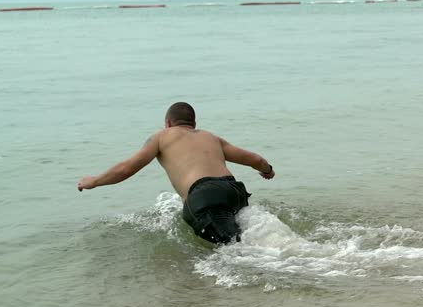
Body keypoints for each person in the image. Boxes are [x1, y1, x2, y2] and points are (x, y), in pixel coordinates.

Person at [77, 102, 275, 244]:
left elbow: (126, 168)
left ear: (168, 124)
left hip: (205, 196)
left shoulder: (161, 137)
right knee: (243, 237)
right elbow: (255, 160)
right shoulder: (210, 137)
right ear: (194, 123)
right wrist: (268, 171)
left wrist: (94, 181)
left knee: (235, 249)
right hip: (234, 191)